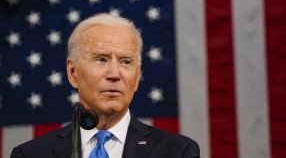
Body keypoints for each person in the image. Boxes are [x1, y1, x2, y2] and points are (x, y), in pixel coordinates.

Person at [10, 13, 200, 158]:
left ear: (137, 77)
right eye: (101, 59)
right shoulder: (30, 155)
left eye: (126, 62)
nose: (115, 74)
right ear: (72, 72)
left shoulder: (178, 152)